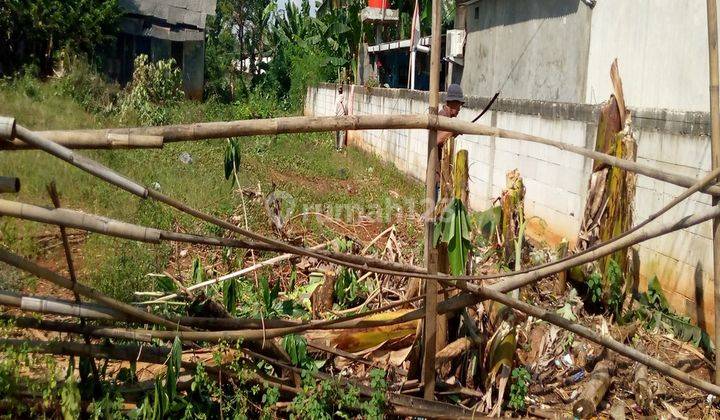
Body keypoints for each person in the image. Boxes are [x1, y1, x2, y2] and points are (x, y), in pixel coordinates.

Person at [435, 83, 464, 199]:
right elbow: (438, 140)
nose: (459, 109)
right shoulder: (442, 117)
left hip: (442, 174)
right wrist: (455, 130)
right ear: (452, 103)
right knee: (433, 212)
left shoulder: (448, 120)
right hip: (436, 175)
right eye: (459, 105)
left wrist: (455, 131)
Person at [335, 84, 347, 151]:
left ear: (338, 91)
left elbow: (335, 111)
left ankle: (336, 147)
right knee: (342, 133)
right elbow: (346, 110)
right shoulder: (344, 100)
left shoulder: (337, 100)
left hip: (337, 118)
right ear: (342, 91)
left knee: (337, 133)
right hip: (343, 118)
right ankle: (341, 147)